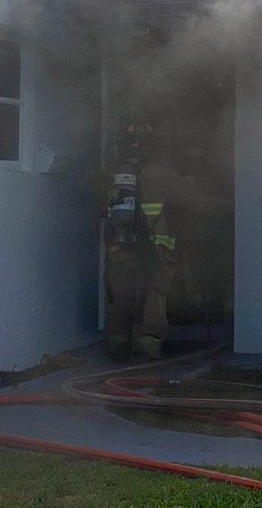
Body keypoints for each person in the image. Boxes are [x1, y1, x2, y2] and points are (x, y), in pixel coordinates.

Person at [103, 123, 178, 359]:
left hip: (118, 243)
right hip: (153, 244)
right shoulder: (159, 172)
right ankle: (147, 347)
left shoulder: (112, 173)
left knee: (121, 294)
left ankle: (117, 346)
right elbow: (191, 197)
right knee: (155, 292)